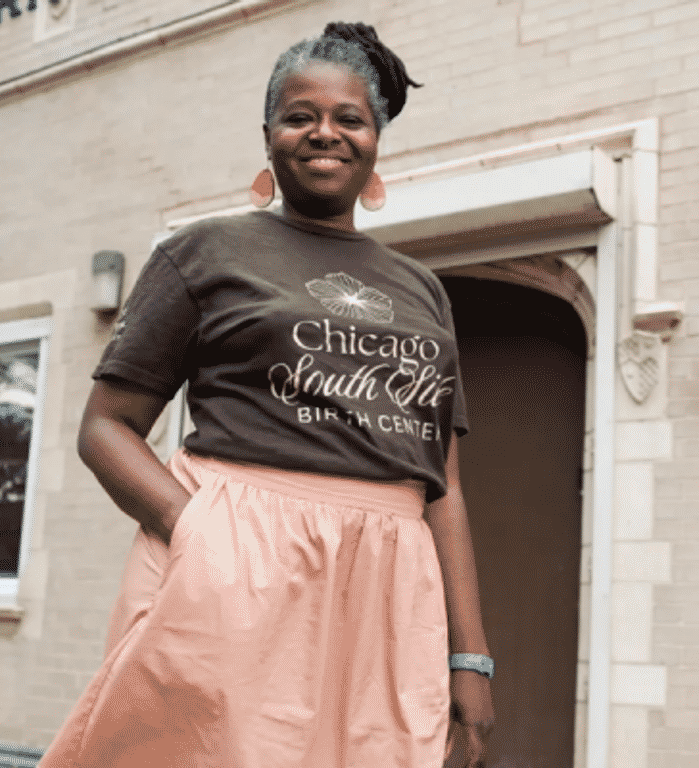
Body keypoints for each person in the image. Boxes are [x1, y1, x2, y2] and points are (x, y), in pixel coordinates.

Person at [37, 21, 494, 768]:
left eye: (350, 118)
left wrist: (469, 657)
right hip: (238, 557)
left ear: (376, 139)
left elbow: (443, 486)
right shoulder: (203, 252)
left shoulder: (422, 290)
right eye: (299, 115)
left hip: (387, 584)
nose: (326, 132)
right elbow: (106, 427)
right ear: (269, 135)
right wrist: (198, 532)